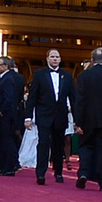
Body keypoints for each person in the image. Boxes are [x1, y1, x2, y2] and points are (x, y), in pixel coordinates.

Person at [25, 49, 75, 185]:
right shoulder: (39, 74)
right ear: (47, 58)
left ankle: (58, 172)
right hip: (44, 116)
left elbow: (73, 98)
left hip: (60, 116)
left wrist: (76, 120)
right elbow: (32, 97)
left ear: (60, 59)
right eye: (52, 56)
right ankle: (40, 174)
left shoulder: (67, 76)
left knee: (58, 146)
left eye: (57, 57)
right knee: (43, 144)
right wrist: (28, 117)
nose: (55, 59)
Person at [74, 48, 102, 191]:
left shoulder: (83, 76)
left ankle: (84, 173)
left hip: (88, 119)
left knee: (86, 147)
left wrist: (78, 121)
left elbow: (80, 100)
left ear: (92, 60)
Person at [0, 56, 23, 175]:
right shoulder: (2, 78)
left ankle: (8, 167)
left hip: (6, 116)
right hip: (3, 115)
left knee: (6, 140)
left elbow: (9, 98)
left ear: (6, 66)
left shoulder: (8, 79)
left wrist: (1, 111)